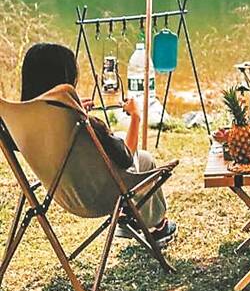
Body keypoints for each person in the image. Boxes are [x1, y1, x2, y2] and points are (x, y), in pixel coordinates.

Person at [20, 42, 177, 246]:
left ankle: (130, 218)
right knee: (143, 159)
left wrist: (74, 109)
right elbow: (127, 158)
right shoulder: (84, 124)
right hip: (101, 198)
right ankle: (155, 225)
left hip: (61, 193)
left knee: (131, 149)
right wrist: (136, 116)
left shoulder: (22, 122)